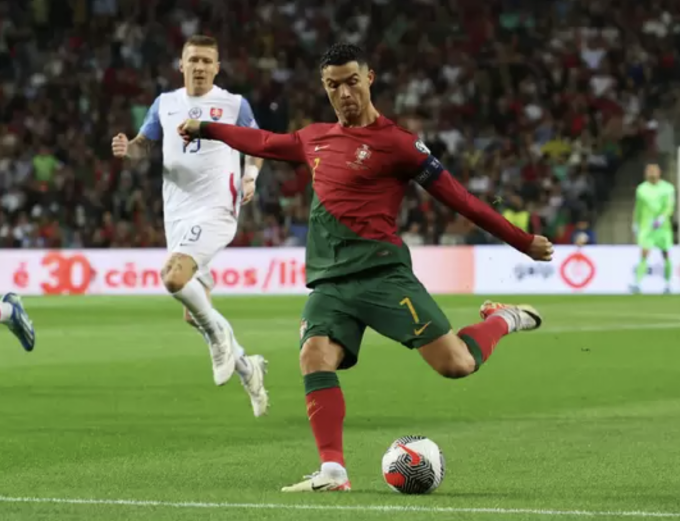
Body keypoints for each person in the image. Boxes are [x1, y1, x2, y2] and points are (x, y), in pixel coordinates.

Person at [178, 43, 553, 491]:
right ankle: (333, 471)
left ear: (369, 78)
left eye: (351, 81)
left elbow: (462, 198)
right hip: (330, 282)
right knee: (313, 356)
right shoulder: (314, 137)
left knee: (456, 364)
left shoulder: (399, 144)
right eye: (333, 85)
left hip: (382, 275)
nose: (343, 93)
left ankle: (502, 319)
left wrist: (523, 241)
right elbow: (263, 142)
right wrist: (206, 127)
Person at [111, 35, 268, 417]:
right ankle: (250, 369)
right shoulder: (165, 104)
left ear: (217, 67)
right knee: (191, 311)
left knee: (173, 278)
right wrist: (127, 149)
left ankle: (220, 341)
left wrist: (250, 178)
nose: (199, 66)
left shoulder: (233, 105)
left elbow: (257, 143)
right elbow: (144, 145)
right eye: (193, 59)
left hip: (217, 209)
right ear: (181, 65)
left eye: (206, 60)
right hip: (177, 215)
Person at [631, 163, 676, 294]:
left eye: (653, 170)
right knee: (644, 254)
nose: (651, 173)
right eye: (649, 170)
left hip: (663, 228)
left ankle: (668, 284)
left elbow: (669, 206)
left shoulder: (668, 188)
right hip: (647, 227)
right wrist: (635, 223)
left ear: (659, 172)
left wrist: (662, 218)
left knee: (666, 254)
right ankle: (637, 283)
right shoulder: (641, 189)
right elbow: (638, 208)